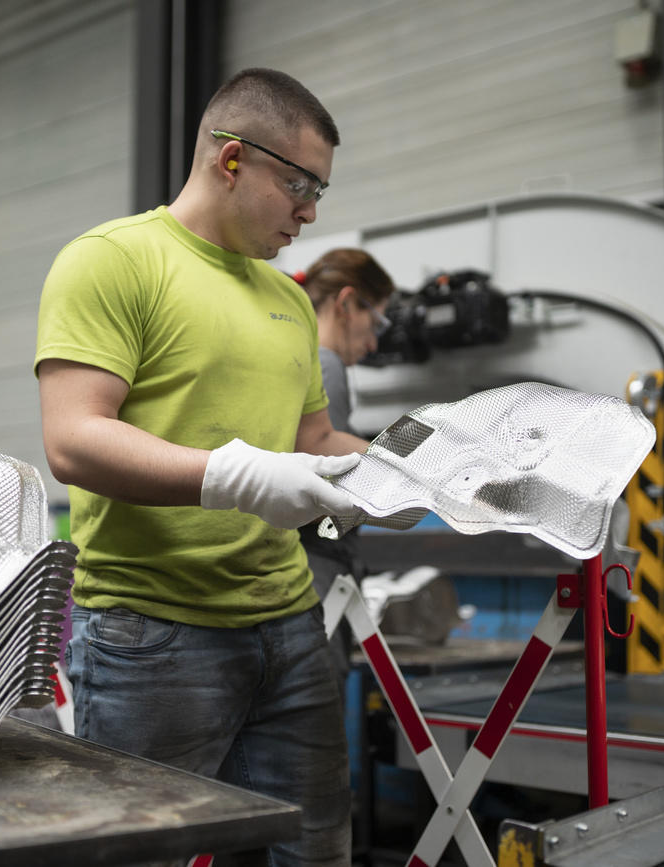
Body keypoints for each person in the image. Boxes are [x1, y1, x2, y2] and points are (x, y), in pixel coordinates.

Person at [34, 68, 368, 866]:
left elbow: (314, 440)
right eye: (299, 182)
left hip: (288, 626)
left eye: (320, 188)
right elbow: (74, 438)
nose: (311, 210)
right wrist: (239, 475)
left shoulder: (289, 302)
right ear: (229, 160)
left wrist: (424, 463)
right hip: (153, 635)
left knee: (315, 852)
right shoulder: (114, 262)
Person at [294, 249, 395, 689]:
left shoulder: (295, 353)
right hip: (315, 568)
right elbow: (323, 469)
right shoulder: (325, 362)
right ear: (347, 303)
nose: (373, 343)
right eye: (377, 323)